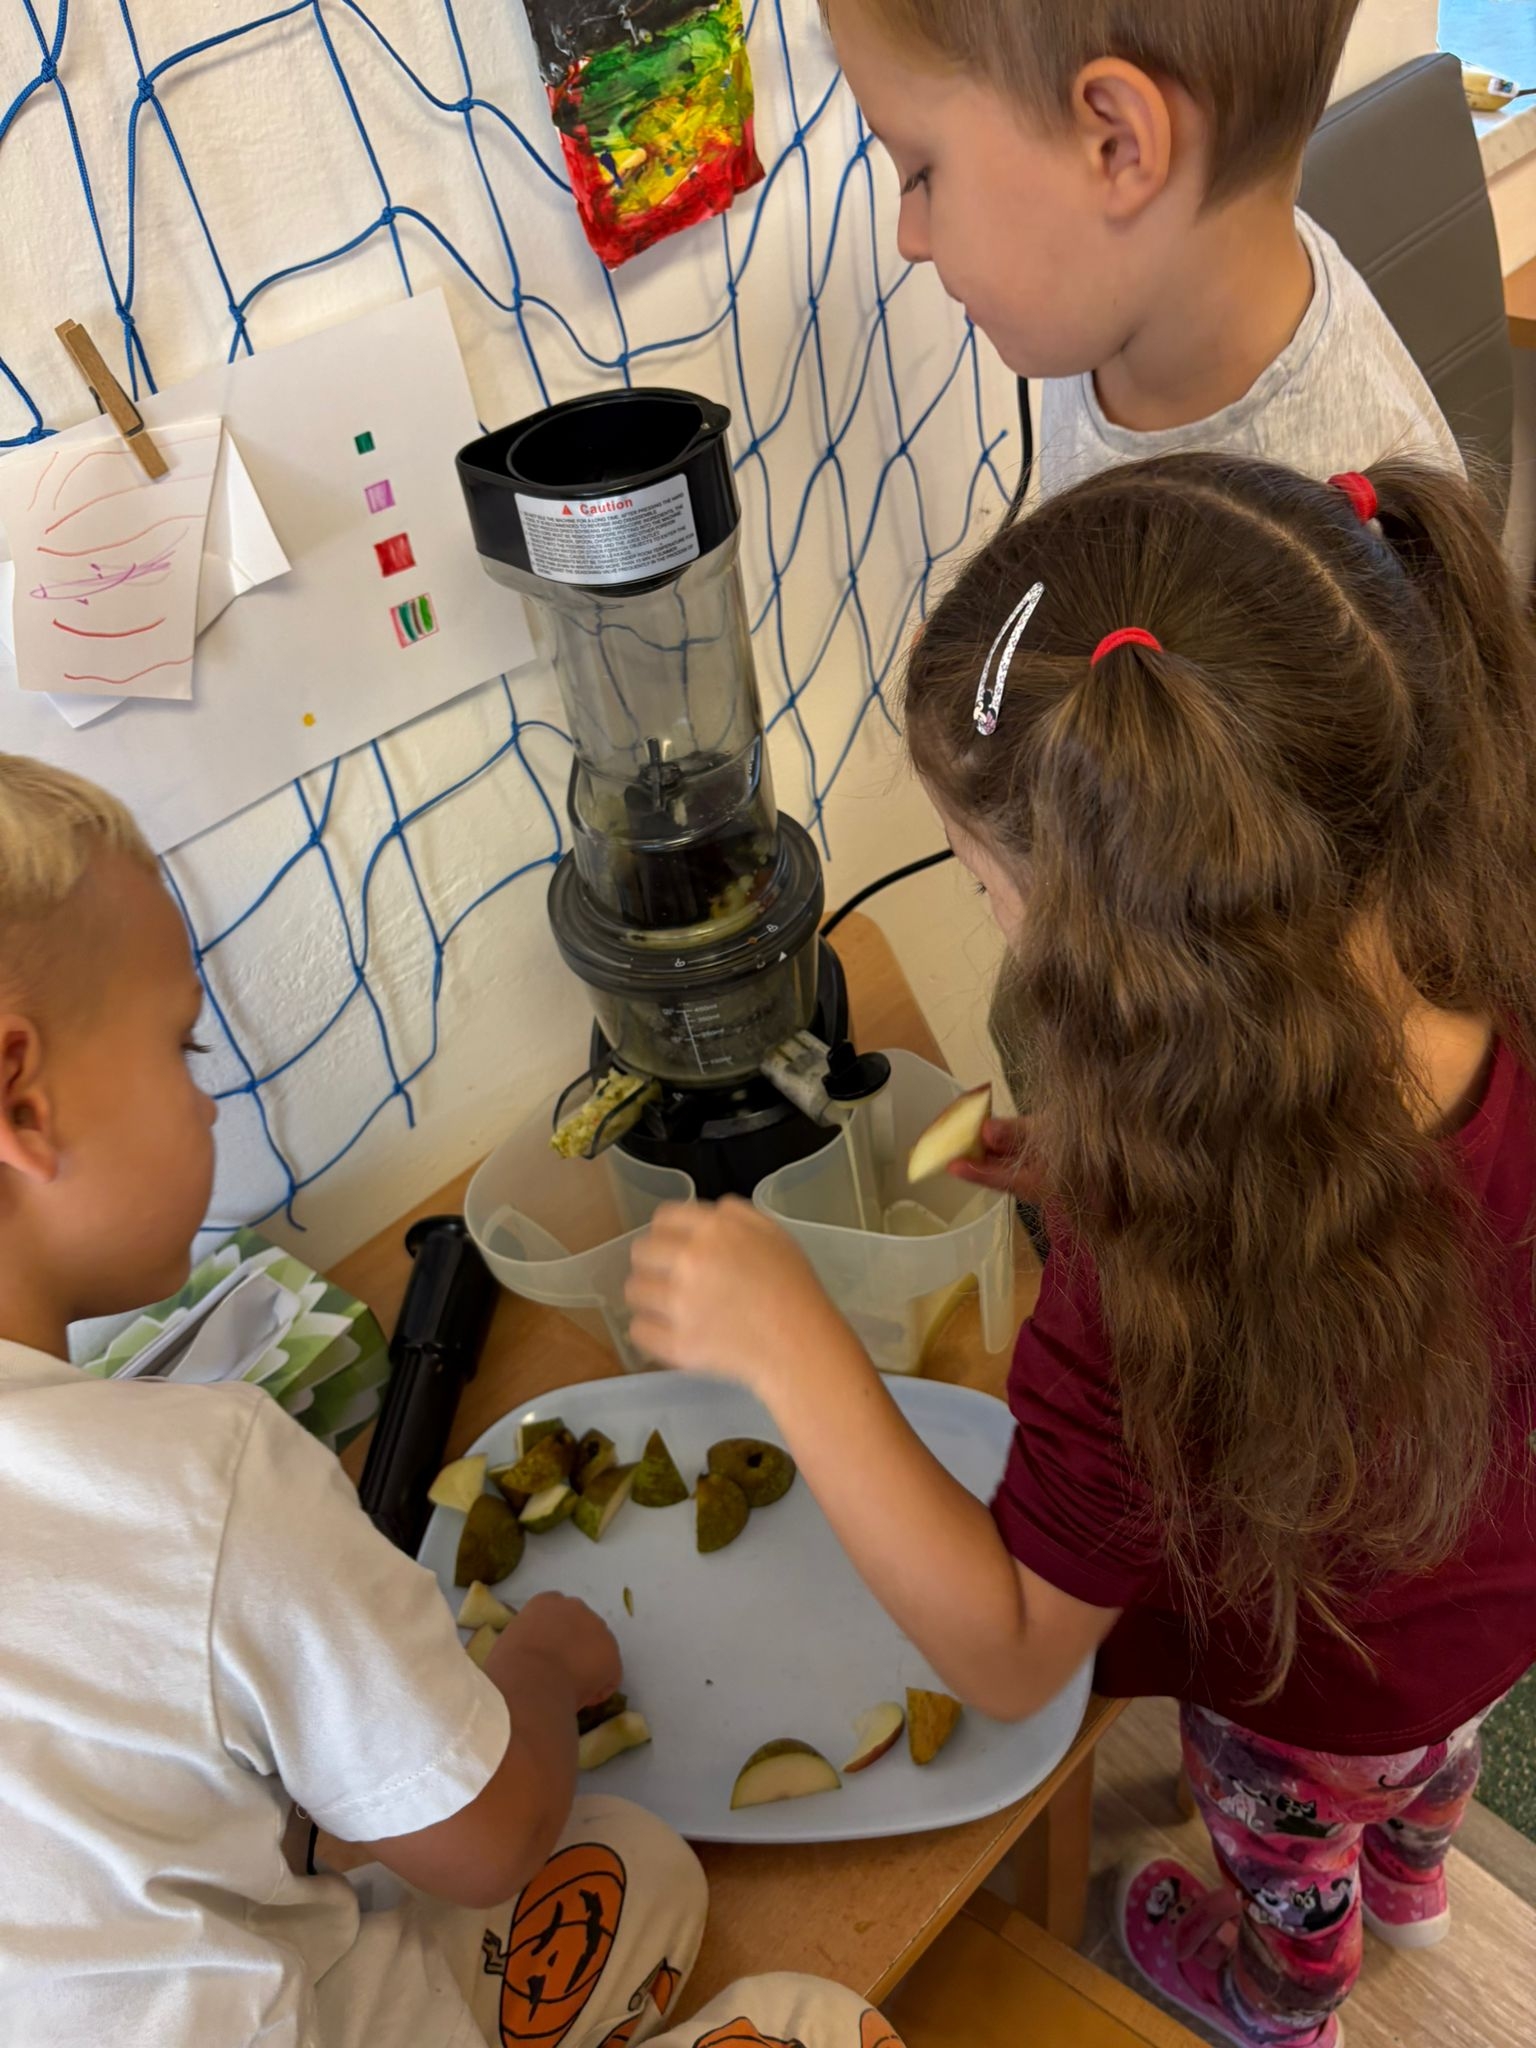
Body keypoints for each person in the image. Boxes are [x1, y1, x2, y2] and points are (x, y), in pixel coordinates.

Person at [626, 452, 1536, 2048]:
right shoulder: (1497, 993)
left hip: (1309, 1687)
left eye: (989, 888)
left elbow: (1009, 1651)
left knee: (1291, 1838)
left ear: (1131, 957)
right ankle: (1414, 1873)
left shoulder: (1156, 1277)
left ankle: (1284, 1992)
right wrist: (1090, 1156)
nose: (992, 917)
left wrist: (795, 1351)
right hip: (1483, 1622)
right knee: (1419, 1759)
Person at [0, 753, 906, 2048]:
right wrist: (536, 1664)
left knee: (635, 1863)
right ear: (21, 1099)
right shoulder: (206, 1481)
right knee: (812, 2014)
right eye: (179, 1045)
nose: (204, 1100)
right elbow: (486, 1846)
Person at [825, 0, 1466, 1212]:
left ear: (1118, 143)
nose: (907, 234)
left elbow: (1308, 1073)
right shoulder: (1152, 300)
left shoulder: (1305, 516)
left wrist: (1137, 1166)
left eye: (920, 171)